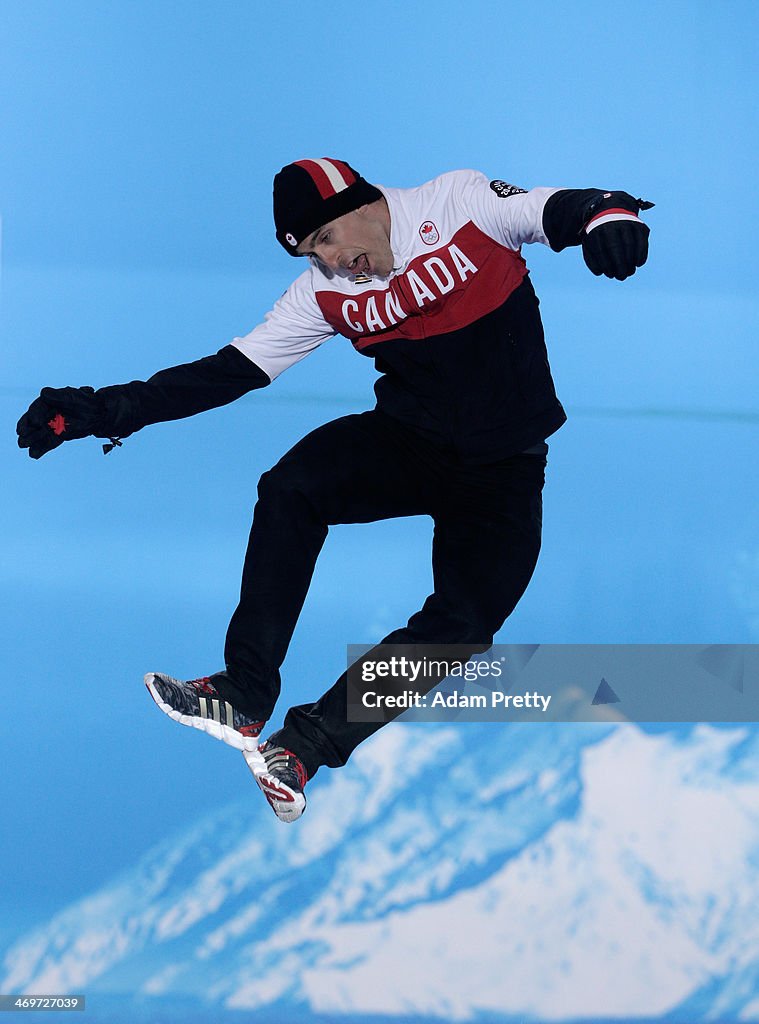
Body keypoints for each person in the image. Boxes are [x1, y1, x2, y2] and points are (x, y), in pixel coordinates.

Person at [16, 158, 652, 823]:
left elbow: (560, 207)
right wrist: (98, 410)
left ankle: (303, 748)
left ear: (360, 204)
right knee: (291, 487)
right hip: (407, 445)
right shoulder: (317, 293)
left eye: (326, 241)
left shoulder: (460, 202)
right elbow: (224, 373)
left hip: (503, 472)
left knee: (462, 623)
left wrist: (608, 217)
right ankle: (243, 690)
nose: (332, 263)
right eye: (311, 254)